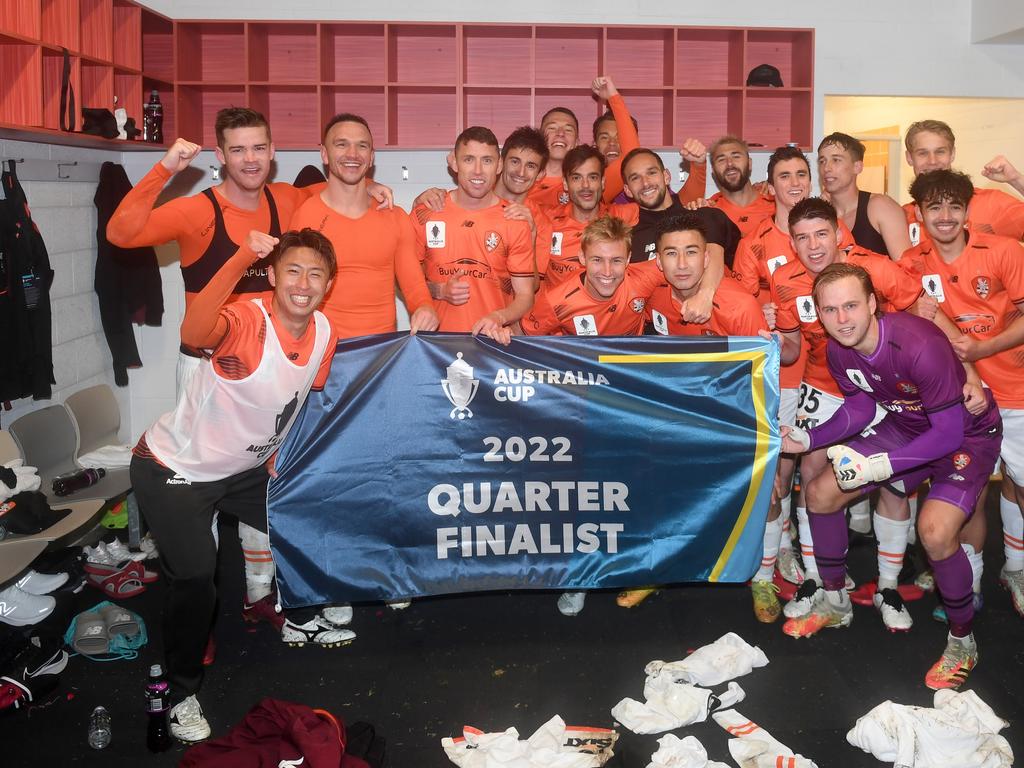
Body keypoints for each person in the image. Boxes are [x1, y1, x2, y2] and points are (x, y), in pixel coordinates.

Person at [106, 108, 390, 644]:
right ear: (220, 156)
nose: (251, 159)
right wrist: (166, 167)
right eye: (238, 150)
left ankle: (260, 596)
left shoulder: (286, 201)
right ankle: (199, 616)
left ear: (273, 151)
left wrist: (379, 192)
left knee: (267, 481)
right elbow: (121, 233)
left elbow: (342, 189)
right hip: (210, 365)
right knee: (203, 495)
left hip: (278, 361)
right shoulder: (199, 211)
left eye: (259, 148)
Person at [130, 228, 347, 742]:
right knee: (196, 575)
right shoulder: (248, 318)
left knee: (302, 518)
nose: (303, 282)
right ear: (271, 275)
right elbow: (195, 327)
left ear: (328, 285)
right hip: (174, 469)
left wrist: (276, 456)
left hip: (240, 471)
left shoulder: (323, 331)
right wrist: (241, 256)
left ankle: (279, 607)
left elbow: (300, 401)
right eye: (292, 270)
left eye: (316, 274)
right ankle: (181, 692)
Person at [779, 262, 1001, 690]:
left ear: (872, 304)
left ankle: (962, 640)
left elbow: (949, 433)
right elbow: (861, 407)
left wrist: (880, 466)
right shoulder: (839, 349)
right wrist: (808, 440)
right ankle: (835, 601)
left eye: (850, 306)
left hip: (967, 436)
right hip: (908, 427)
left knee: (935, 531)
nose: (842, 319)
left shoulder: (918, 344)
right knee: (820, 493)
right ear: (818, 313)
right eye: (830, 310)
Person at [771, 198, 970, 631]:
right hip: (846, 387)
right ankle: (826, 588)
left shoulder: (878, 271)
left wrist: (966, 370)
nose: (813, 244)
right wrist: (807, 437)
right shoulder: (789, 285)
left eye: (821, 233)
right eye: (802, 237)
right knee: (816, 486)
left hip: (912, 394)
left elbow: (923, 319)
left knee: (906, 501)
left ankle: (891, 587)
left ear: (840, 233)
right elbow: (795, 349)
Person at [519, 215, 664, 616]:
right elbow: (528, 343)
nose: (607, 271)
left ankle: (635, 568)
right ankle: (581, 575)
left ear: (629, 258)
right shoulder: (555, 299)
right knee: (585, 495)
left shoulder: (643, 279)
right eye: (597, 260)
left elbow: (696, 262)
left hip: (630, 402)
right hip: (578, 406)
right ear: (582, 257)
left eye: (616, 261)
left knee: (634, 486)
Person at [903, 169, 1024, 620]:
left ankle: (1015, 568)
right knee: (965, 490)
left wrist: (982, 348)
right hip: (957, 399)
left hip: (1016, 390)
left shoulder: (1005, 251)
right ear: (919, 213)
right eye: (935, 207)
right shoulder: (912, 264)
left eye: (955, 205)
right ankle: (967, 582)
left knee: (1021, 485)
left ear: (968, 209)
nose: (946, 216)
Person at [290, 112, 438, 339]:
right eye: (342, 144)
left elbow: (414, 287)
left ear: (371, 157)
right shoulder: (305, 215)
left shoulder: (394, 217)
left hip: (379, 354)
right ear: (324, 154)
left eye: (362, 146)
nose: (352, 154)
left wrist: (424, 308)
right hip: (322, 353)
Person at [412, 126, 535, 341]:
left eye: (487, 161)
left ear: (498, 166)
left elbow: (525, 295)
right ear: (453, 162)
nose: (478, 171)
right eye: (469, 159)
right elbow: (407, 280)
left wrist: (499, 317)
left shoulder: (514, 221)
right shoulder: (426, 213)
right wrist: (440, 291)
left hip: (493, 343)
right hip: (436, 345)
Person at [902, 120, 1024, 247]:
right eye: (923, 153)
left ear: (952, 154)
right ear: (909, 158)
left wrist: (1016, 179)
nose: (932, 161)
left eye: (940, 152)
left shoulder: (990, 204)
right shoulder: (901, 218)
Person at [544, 145, 638, 285]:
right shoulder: (546, 219)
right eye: (576, 178)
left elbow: (670, 208)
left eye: (592, 177)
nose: (585, 185)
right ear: (565, 183)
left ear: (602, 182)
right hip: (559, 305)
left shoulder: (625, 215)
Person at [817, 132, 911, 258]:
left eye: (836, 160)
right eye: (822, 161)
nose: (826, 168)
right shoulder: (819, 215)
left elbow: (906, 268)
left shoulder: (880, 206)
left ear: (857, 167)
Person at [694, 135, 776, 237]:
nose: (729, 164)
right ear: (714, 171)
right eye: (721, 159)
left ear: (749, 164)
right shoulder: (710, 210)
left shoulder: (776, 204)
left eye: (736, 156)